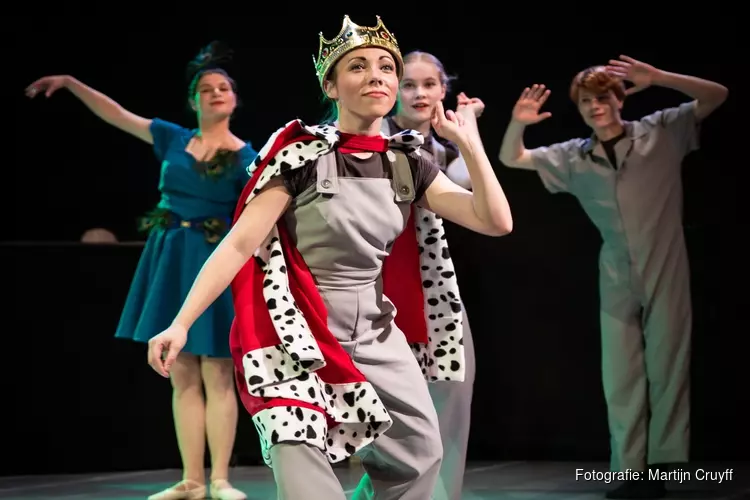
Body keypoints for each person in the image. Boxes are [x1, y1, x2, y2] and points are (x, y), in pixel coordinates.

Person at [145, 15, 513, 500]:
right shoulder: (300, 153)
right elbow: (239, 243)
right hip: (294, 329)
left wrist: (469, 142)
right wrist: (181, 321)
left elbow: (495, 221)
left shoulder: (406, 159)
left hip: (376, 328)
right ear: (331, 85)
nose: (377, 76)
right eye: (358, 67)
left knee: (420, 458)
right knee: (305, 475)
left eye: (386, 67)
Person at [26, 42, 255, 500]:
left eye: (223, 88)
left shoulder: (249, 155)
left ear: (234, 99)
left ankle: (221, 479)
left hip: (212, 262)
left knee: (217, 371)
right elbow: (116, 114)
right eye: (205, 89)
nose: (214, 94)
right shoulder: (172, 137)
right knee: (183, 372)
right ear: (192, 100)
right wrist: (72, 84)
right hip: (170, 256)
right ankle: (191, 479)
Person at [499, 56, 728, 499]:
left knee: (668, 366)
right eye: (587, 101)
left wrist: (660, 78)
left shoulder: (661, 131)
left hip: (665, 260)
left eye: (603, 96)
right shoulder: (574, 156)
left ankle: (665, 466)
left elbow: (717, 94)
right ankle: (627, 470)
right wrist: (517, 122)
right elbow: (512, 157)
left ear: (620, 98)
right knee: (619, 375)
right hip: (615, 269)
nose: (595, 106)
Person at [382, 50, 483, 500]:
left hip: (436, 289)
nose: (420, 93)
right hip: (380, 287)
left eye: (430, 84)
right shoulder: (374, 142)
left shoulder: (444, 147)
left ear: (444, 89)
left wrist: (467, 131)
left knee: (452, 394)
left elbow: (478, 199)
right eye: (409, 84)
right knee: (391, 415)